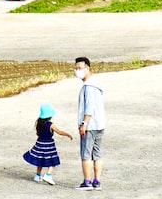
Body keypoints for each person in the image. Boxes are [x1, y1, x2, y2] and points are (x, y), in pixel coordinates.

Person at [74, 57, 105, 190]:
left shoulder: (89, 86)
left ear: (88, 68)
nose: (77, 71)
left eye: (80, 68)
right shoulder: (96, 83)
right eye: (75, 68)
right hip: (100, 124)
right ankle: (97, 181)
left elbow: (89, 107)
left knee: (86, 154)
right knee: (97, 154)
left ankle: (87, 181)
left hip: (91, 125)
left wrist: (84, 123)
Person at [23, 101, 71, 185]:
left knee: (40, 159)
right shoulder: (50, 125)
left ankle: (38, 175)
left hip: (40, 143)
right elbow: (59, 132)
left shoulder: (39, 123)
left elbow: (37, 133)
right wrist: (67, 134)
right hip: (48, 145)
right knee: (52, 160)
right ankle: (48, 175)